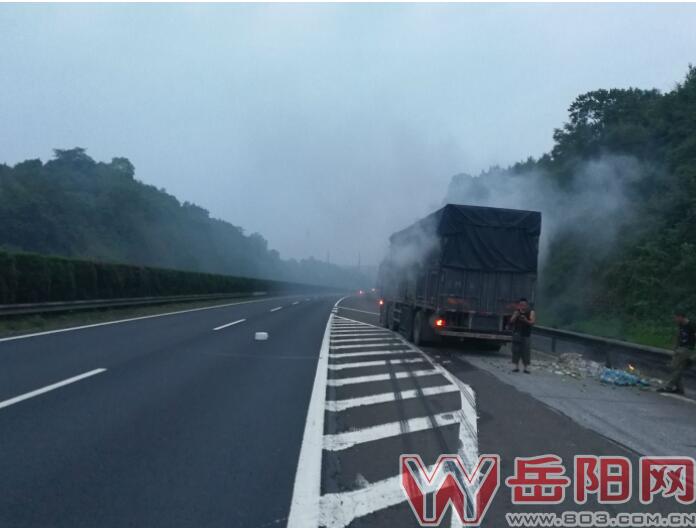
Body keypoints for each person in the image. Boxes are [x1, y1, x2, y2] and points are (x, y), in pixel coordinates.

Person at [658, 312, 695, 395]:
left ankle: (669, 386)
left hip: (687, 349)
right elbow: (679, 335)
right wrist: (675, 347)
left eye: (676, 318)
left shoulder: (691, 325)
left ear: (681, 317)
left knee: (676, 368)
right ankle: (679, 389)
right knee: (676, 369)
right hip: (680, 349)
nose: (675, 320)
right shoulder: (681, 325)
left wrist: (693, 356)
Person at [509, 298, 536, 373]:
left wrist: (525, 320)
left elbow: (532, 322)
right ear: (519, 305)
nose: (522, 306)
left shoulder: (531, 312)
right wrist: (515, 316)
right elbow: (511, 321)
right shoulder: (516, 312)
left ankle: (526, 368)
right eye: (521, 305)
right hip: (517, 333)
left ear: (527, 305)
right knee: (515, 350)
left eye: (524, 305)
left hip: (526, 334)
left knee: (526, 351)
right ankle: (516, 367)